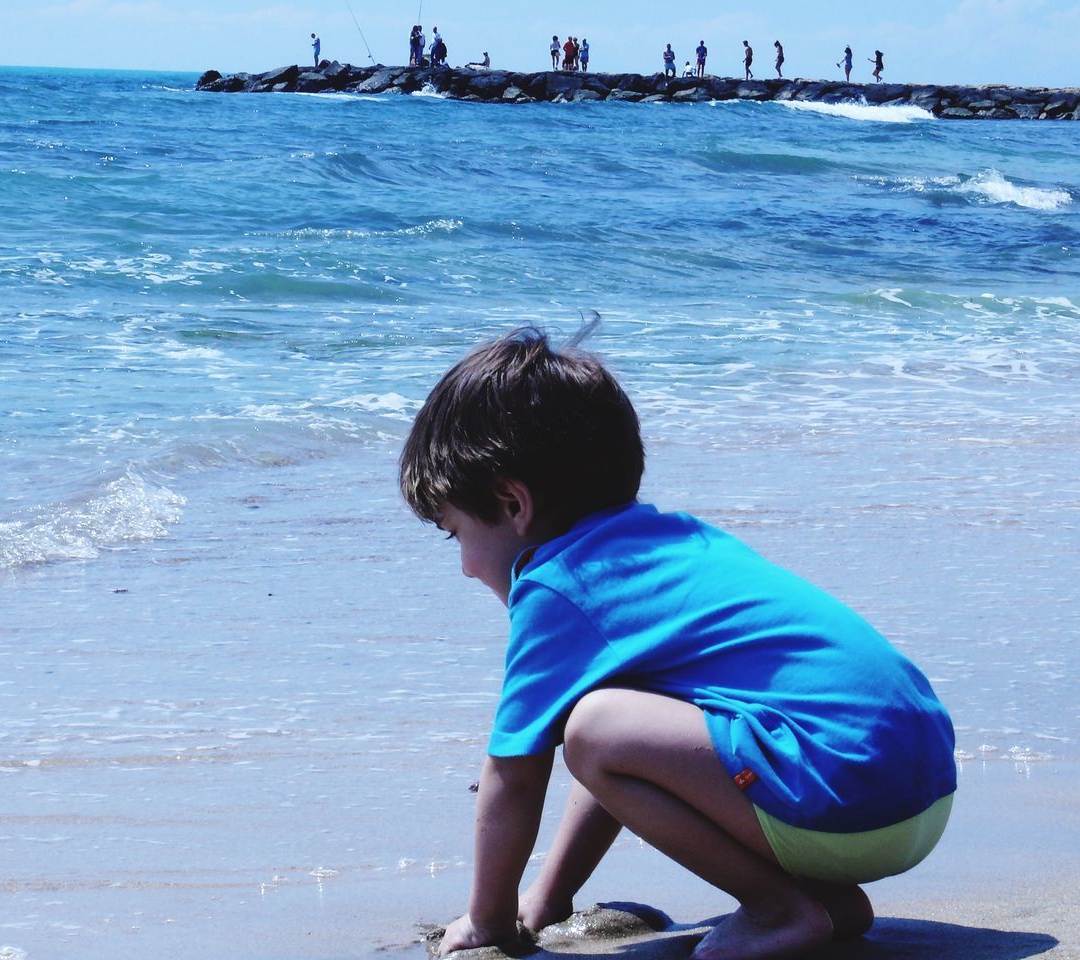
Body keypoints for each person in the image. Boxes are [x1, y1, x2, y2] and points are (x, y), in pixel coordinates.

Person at [400, 329, 958, 960]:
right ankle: (823, 901)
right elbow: (639, 753)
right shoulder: (674, 544)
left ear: (511, 503)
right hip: (917, 795)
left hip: (846, 795)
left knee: (596, 727)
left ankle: (780, 909)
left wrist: (488, 922)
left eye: (454, 533)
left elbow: (515, 775)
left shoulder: (561, 586)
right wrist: (547, 903)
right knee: (614, 717)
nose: (467, 567)